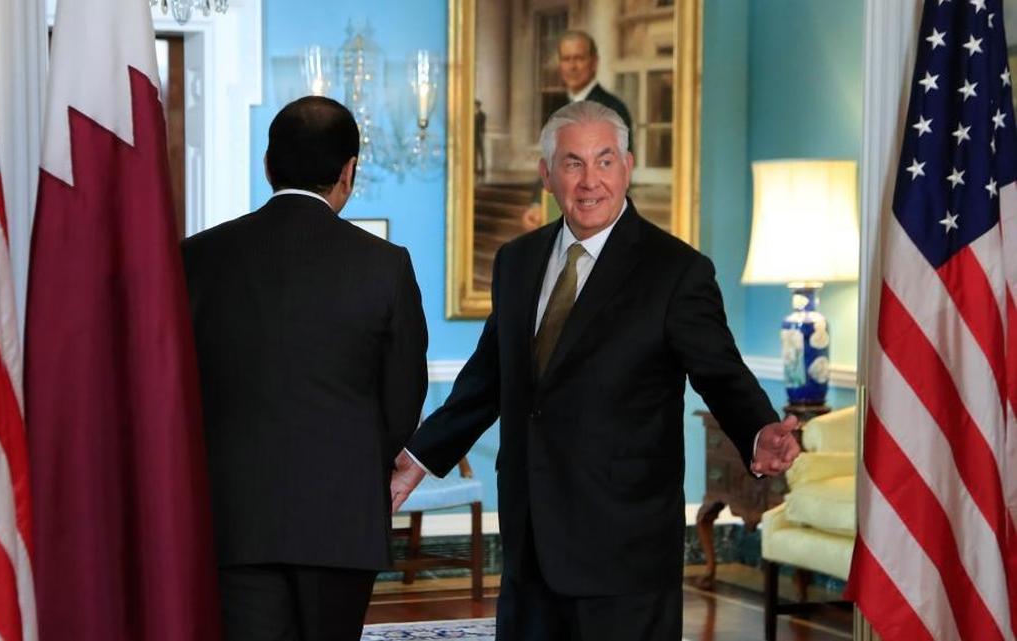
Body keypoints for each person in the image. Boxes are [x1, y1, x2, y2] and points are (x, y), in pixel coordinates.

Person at [390, 101, 799, 641]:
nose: (590, 181)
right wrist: (418, 457)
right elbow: (488, 379)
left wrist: (757, 430)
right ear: (547, 175)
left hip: (624, 550)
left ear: (627, 167)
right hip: (530, 542)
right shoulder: (516, 261)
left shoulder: (676, 271)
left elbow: (720, 372)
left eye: (604, 161)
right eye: (573, 163)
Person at [182, 96, 429, 641]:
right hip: (340, 521)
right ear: (348, 172)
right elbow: (403, 397)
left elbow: (179, 389)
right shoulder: (386, 266)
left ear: (267, 165)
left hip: (233, 517)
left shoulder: (196, 258)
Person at [524, 30, 635, 231]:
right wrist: (537, 204)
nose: (572, 66)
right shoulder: (556, 110)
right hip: (560, 221)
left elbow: (619, 177)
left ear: (594, 62)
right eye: (566, 59)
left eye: (579, 58)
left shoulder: (613, 109)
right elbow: (550, 163)